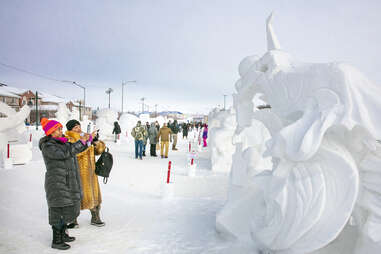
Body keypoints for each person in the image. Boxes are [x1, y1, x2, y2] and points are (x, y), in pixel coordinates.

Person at [39, 118, 88, 250]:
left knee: (67, 208)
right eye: (58, 129)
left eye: (61, 129)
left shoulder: (62, 143)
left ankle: (63, 234)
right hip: (57, 182)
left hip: (67, 180)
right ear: (51, 132)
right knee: (58, 210)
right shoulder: (48, 146)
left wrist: (85, 141)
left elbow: (71, 149)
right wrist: (81, 142)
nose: (61, 131)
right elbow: (65, 153)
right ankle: (57, 240)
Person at [65, 119, 106, 228]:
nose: (78, 129)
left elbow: (99, 151)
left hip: (91, 173)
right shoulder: (69, 138)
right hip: (77, 172)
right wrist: (87, 142)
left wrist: (96, 141)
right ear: (70, 129)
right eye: (75, 127)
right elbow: (75, 153)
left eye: (79, 126)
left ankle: (95, 217)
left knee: (94, 195)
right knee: (76, 196)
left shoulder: (86, 135)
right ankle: (72, 220)